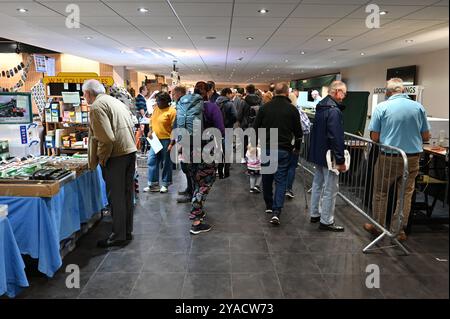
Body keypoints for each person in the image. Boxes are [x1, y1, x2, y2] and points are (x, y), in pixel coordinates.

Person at [364, 78, 431, 242]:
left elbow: (374, 136)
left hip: (389, 156)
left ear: (388, 92)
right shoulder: (418, 107)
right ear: (403, 91)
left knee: (381, 192)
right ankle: (399, 230)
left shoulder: (382, 107)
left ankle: (378, 227)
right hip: (413, 158)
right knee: (405, 195)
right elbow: (426, 135)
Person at [84, 79, 137, 247]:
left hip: (116, 156)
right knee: (126, 194)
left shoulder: (97, 107)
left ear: (87, 94)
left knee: (116, 197)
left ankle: (118, 235)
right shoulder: (114, 101)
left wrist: (102, 157)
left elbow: (106, 139)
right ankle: (126, 231)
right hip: (129, 151)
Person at [176, 81, 224, 235]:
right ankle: (196, 221)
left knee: (196, 181)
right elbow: (221, 130)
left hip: (188, 150)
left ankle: (198, 211)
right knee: (204, 183)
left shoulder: (185, 107)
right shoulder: (211, 107)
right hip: (205, 151)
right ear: (208, 92)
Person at [253, 82, 303, 226]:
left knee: (267, 178)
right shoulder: (292, 110)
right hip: (284, 149)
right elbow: (298, 133)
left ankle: (269, 205)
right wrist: (297, 148)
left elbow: (255, 128)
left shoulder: (264, 108)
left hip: (267, 147)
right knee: (281, 180)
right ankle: (277, 211)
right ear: (287, 93)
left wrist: (253, 146)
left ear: (274, 93)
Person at [308, 81, 348, 232]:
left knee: (317, 184)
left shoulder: (321, 107)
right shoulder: (334, 111)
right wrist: (340, 160)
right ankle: (326, 220)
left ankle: (315, 213)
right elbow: (336, 137)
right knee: (331, 188)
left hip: (318, 153)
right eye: (344, 93)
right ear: (337, 92)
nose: (344, 97)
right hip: (329, 156)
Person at [144, 92, 177, 193]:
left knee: (166, 162)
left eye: (159, 100)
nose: (157, 102)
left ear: (166, 101)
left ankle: (165, 183)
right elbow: (151, 122)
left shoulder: (172, 112)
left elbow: (175, 129)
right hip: (155, 139)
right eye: (156, 100)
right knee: (151, 160)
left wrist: (172, 143)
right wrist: (150, 130)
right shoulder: (156, 109)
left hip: (166, 139)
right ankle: (153, 184)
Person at [171, 86, 193, 203]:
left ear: (179, 94)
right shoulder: (182, 104)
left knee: (188, 167)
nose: (172, 96)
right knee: (186, 167)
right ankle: (189, 189)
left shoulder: (184, 105)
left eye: (173, 94)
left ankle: (191, 193)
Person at [285, 98, 311, 199]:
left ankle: (281, 187)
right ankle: (288, 188)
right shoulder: (299, 111)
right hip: (296, 142)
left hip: (282, 141)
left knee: (282, 165)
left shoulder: (281, 110)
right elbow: (306, 127)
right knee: (292, 166)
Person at [215, 88, 237, 179]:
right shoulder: (230, 104)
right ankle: (226, 172)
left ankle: (220, 172)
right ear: (227, 94)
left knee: (219, 151)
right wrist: (229, 123)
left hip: (217, 130)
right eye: (230, 94)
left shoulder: (215, 103)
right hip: (228, 129)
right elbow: (235, 116)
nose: (231, 95)